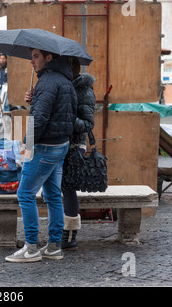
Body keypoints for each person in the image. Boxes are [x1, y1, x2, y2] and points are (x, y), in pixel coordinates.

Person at [5, 49, 77, 263]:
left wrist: (28, 143)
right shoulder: (64, 81)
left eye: (35, 56)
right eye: (32, 56)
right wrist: (34, 100)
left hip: (44, 148)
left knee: (25, 194)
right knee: (53, 195)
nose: (31, 61)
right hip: (60, 145)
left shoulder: (47, 82)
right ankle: (54, 246)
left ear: (49, 58)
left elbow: (40, 118)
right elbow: (57, 112)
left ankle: (31, 248)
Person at [61, 57, 96, 251]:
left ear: (72, 70)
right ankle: (61, 229)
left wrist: (66, 116)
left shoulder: (84, 90)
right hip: (59, 143)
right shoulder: (64, 86)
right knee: (58, 188)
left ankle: (70, 233)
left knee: (68, 188)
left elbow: (88, 124)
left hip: (75, 145)